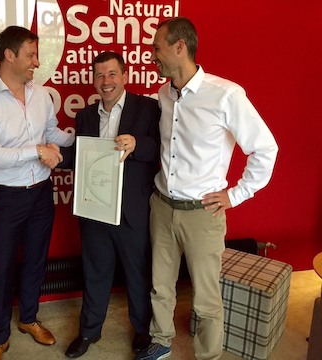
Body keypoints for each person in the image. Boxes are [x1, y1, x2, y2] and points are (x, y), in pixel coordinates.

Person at [134, 17, 279, 360]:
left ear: (179, 47)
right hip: (162, 206)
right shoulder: (164, 93)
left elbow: (266, 148)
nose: (152, 55)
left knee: (206, 297)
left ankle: (209, 356)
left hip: (203, 213)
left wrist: (236, 194)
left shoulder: (226, 94)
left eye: (157, 48)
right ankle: (162, 340)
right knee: (160, 286)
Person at [0, 26, 75, 360]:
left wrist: (89, 141)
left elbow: (52, 133)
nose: (36, 61)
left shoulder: (41, 95)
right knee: (2, 268)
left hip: (41, 194)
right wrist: (37, 151)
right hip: (7, 197)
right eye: (30, 54)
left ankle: (28, 319)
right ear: (9, 55)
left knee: (35, 261)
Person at [61, 51, 161, 358]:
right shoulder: (86, 116)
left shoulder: (148, 108)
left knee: (138, 274)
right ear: (94, 80)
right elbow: (83, 156)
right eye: (100, 75)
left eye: (112, 74)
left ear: (125, 76)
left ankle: (143, 332)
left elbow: (163, 149)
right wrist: (56, 157)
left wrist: (137, 144)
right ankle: (89, 331)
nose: (106, 82)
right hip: (96, 210)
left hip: (132, 211)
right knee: (94, 273)